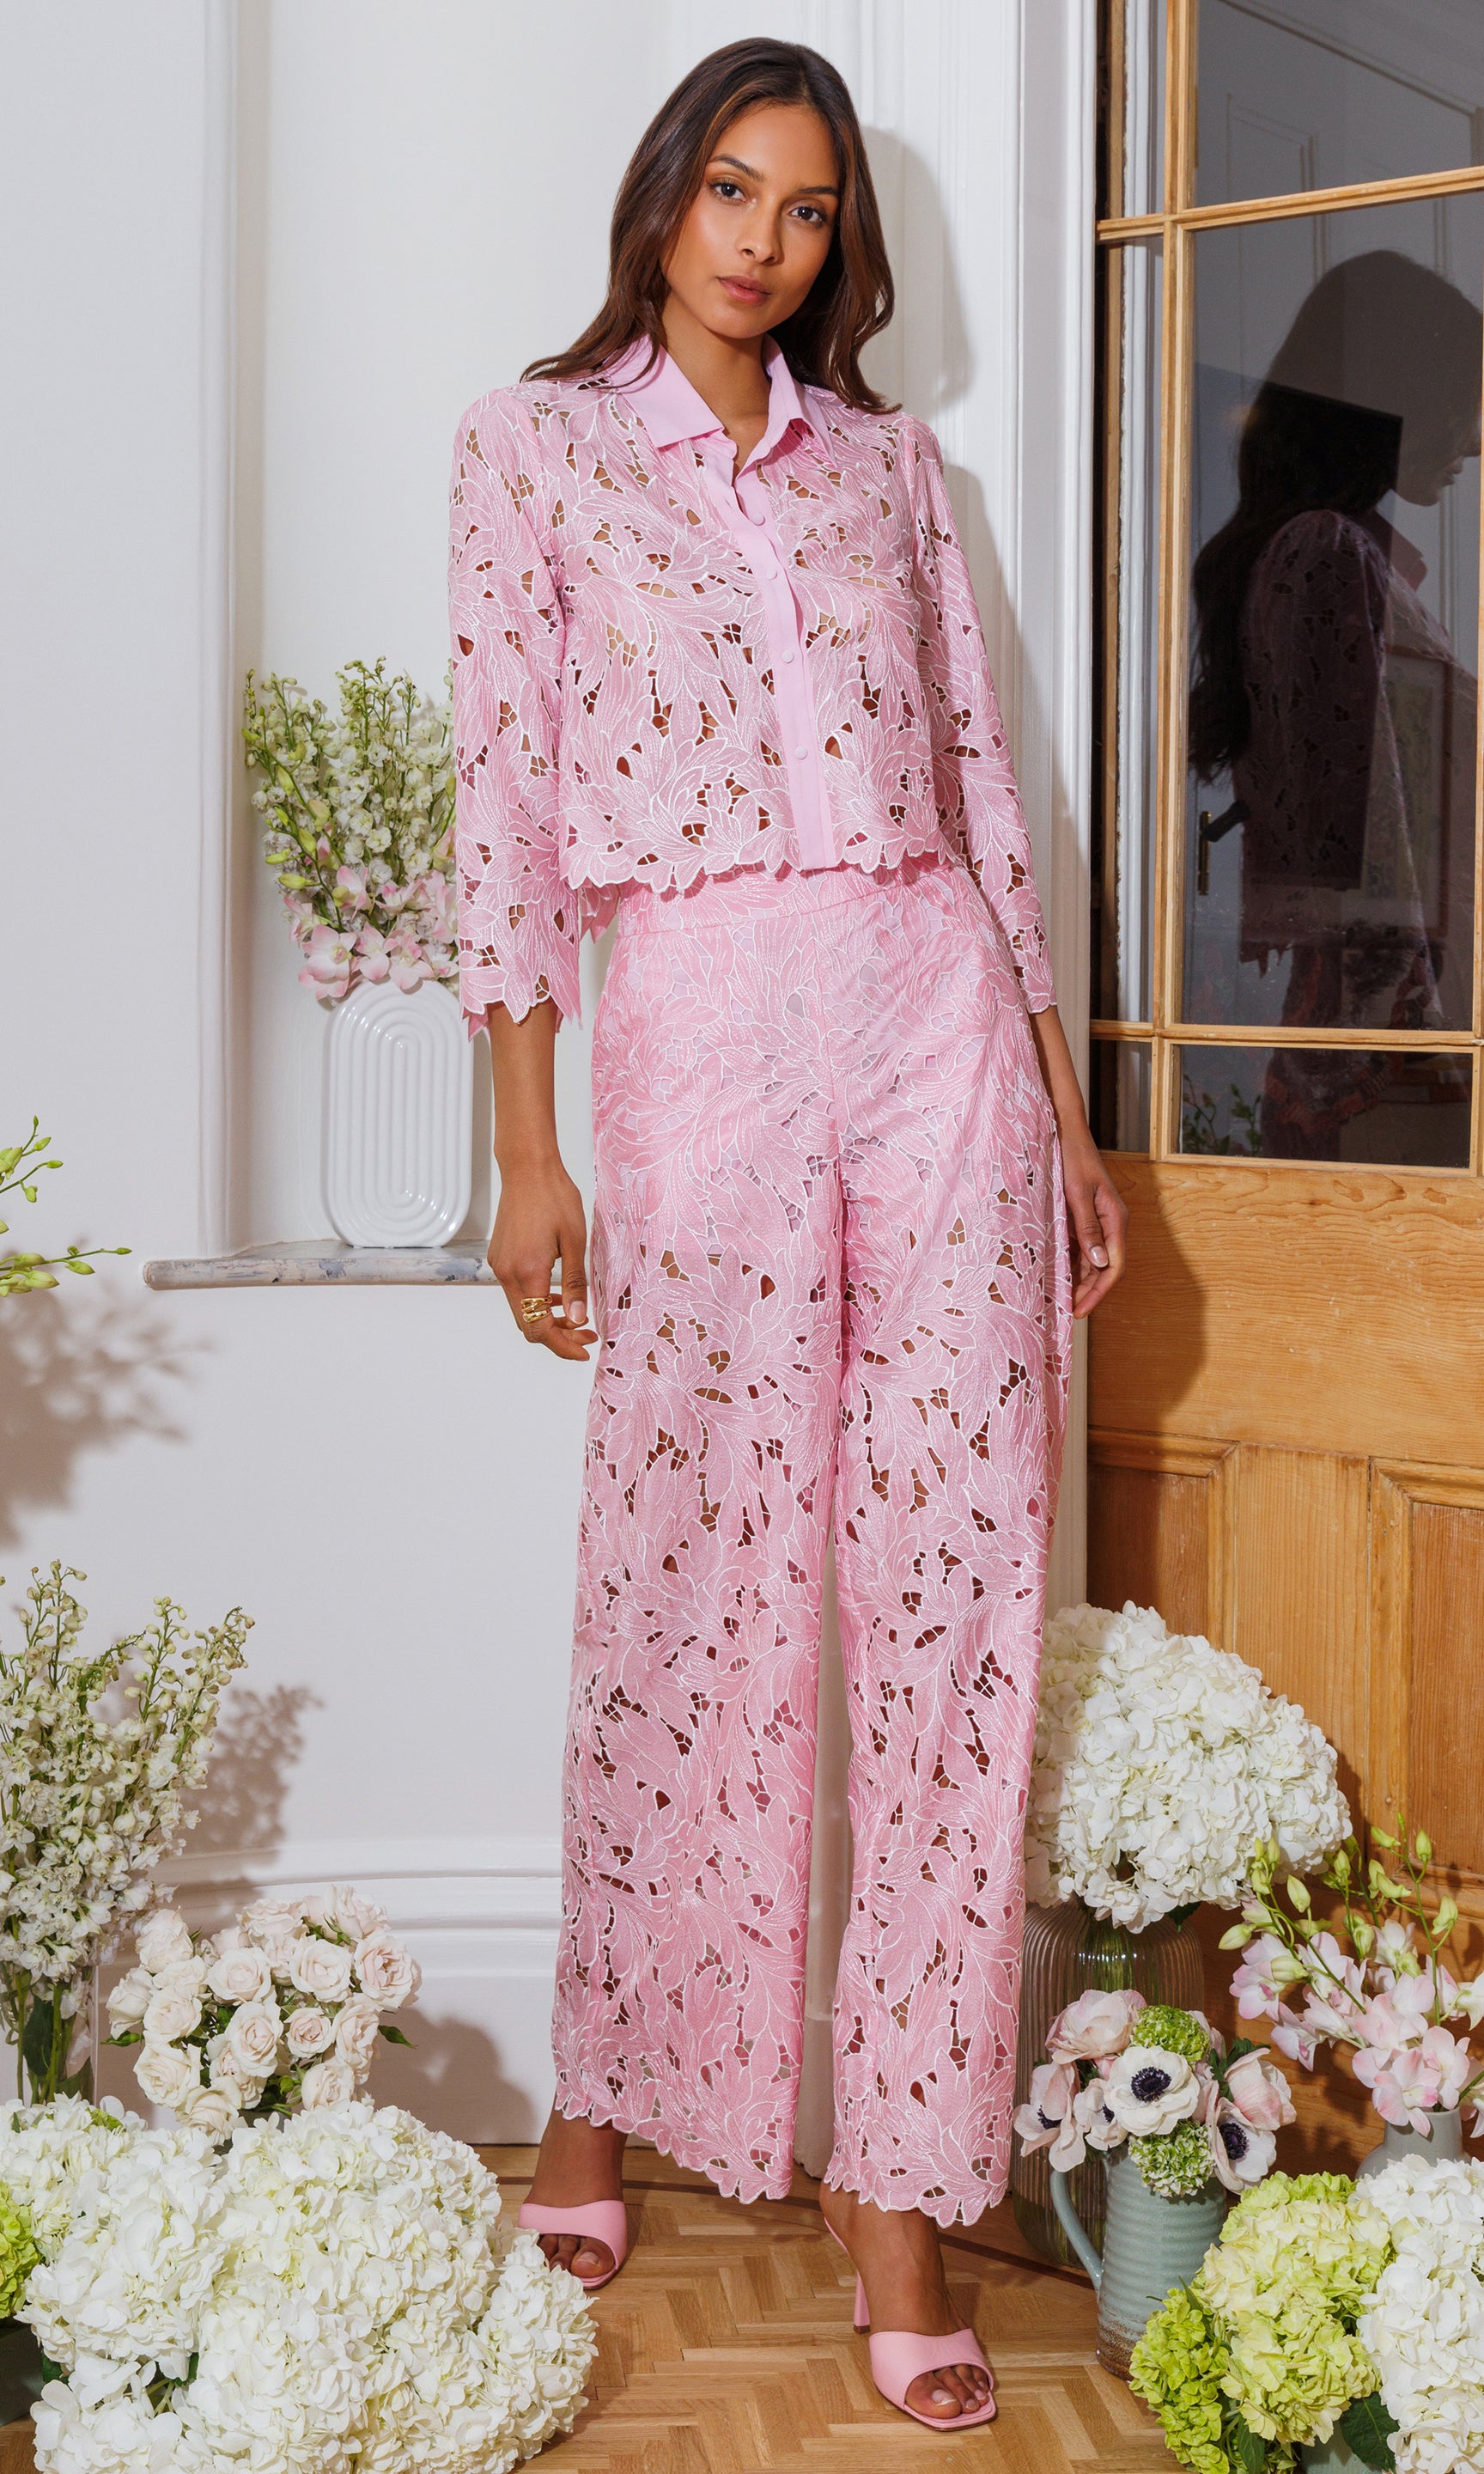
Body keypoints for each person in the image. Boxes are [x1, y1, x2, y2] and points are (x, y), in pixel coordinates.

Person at [449, 37, 1125, 2430]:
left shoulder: (895, 477)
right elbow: (508, 812)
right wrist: (525, 1150)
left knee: (945, 1593)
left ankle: (899, 2194)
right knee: (689, 1571)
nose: (763, 237)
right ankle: (603, 2093)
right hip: (707, 1017)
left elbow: (986, 806)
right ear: (662, 202)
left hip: (929, 1007)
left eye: (808, 209)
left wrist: (1057, 1114)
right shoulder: (535, 451)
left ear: (843, 247)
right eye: (730, 190)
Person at [1189, 250, 1481, 1157]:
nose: (1475, 438)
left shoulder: (1347, 554)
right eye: (1461, 401)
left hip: (1398, 1032)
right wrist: (1414, 1033)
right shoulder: (1324, 552)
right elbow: (1364, 837)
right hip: (1387, 1056)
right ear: (1395, 398)